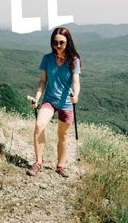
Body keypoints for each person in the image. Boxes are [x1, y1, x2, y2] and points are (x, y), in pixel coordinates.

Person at [27, 27, 81, 177]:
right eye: (55, 42)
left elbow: (76, 82)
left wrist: (76, 95)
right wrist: (37, 97)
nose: (58, 46)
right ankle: (38, 163)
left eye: (61, 42)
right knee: (39, 126)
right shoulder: (47, 59)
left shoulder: (74, 61)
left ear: (68, 42)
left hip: (66, 103)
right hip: (50, 100)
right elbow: (43, 81)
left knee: (62, 135)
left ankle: (60, 166)